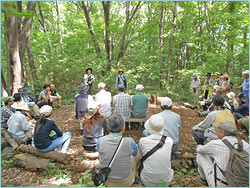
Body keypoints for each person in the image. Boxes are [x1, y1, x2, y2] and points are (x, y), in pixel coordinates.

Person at [196, 111, 249, 187]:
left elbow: (200, 150)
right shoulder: (245, 144)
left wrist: (199, 146)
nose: (216, 131)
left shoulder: (216, 144)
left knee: (200, 153)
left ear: (223, 132)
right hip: (240, 183)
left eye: (218, 129)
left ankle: (203, 179)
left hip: (220, 184)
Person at [96, 114, 139, 187]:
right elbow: (135, 154)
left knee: (100, 154)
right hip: (126, 181)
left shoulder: (100, 141)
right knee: (135, 155)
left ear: (109, 127)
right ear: (123, 127)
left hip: (106, 179)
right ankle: (137, 174)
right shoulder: (129, 141)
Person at [139, 114, 174, 187]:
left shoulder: (143, 141)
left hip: (147, 181)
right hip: (165, 181)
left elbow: (142, 155)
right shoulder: (169, 141)